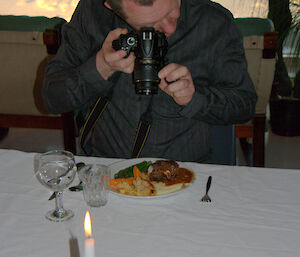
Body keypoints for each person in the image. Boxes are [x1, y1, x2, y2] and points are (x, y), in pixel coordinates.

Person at [43, 0, 257, 162]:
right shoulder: (92, 14)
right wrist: (100, 67)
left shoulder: (214, 22)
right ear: (111, 6)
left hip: (184, 172)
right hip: (106, 167)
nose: (170, 28)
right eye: (151, 24)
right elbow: (52, 100)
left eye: (173, 9)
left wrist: (195, 98)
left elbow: (244, 105)